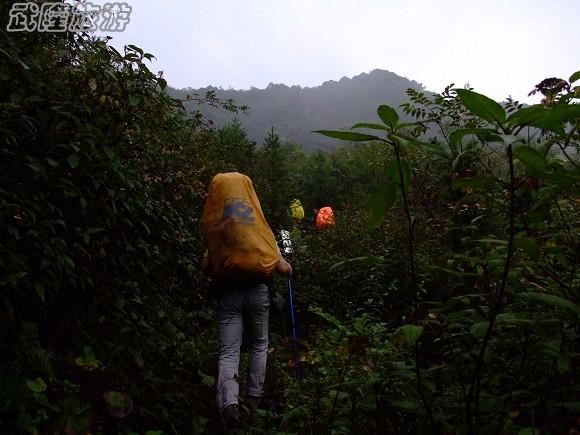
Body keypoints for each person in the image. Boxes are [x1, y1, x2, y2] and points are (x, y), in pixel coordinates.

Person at [200, 172, 292, 428]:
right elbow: (283, 268)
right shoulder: (259, 227)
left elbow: (206, 265)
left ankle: (229, 405)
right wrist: (287, 267)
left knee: (229, 351)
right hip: (257, 292)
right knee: (259, 344)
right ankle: (253, 400)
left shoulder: (219, 227)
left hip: (228, 294)